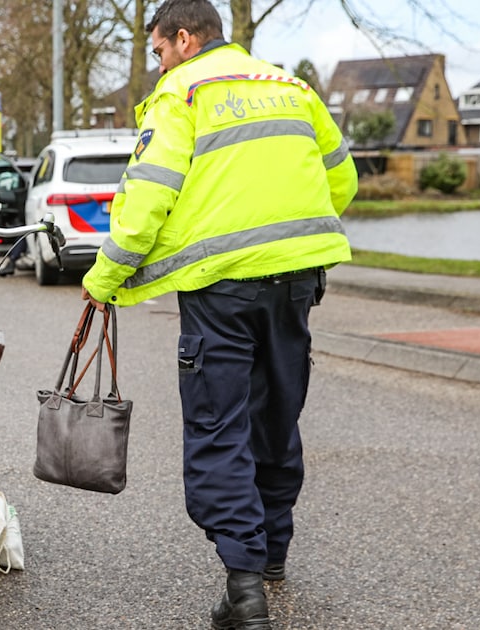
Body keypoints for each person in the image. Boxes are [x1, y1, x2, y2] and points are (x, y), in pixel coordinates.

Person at [80, 0, 357, 627]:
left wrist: (104, 280)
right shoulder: (291, 87)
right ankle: (273, 557)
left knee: (218, 426)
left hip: (222, 289)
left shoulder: (182, 94)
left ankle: (244, 588)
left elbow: (147, 199)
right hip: (297, 281)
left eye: (157, 51)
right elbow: (341, 181)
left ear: (183, 39)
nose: (157, 64)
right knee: (278, 415)